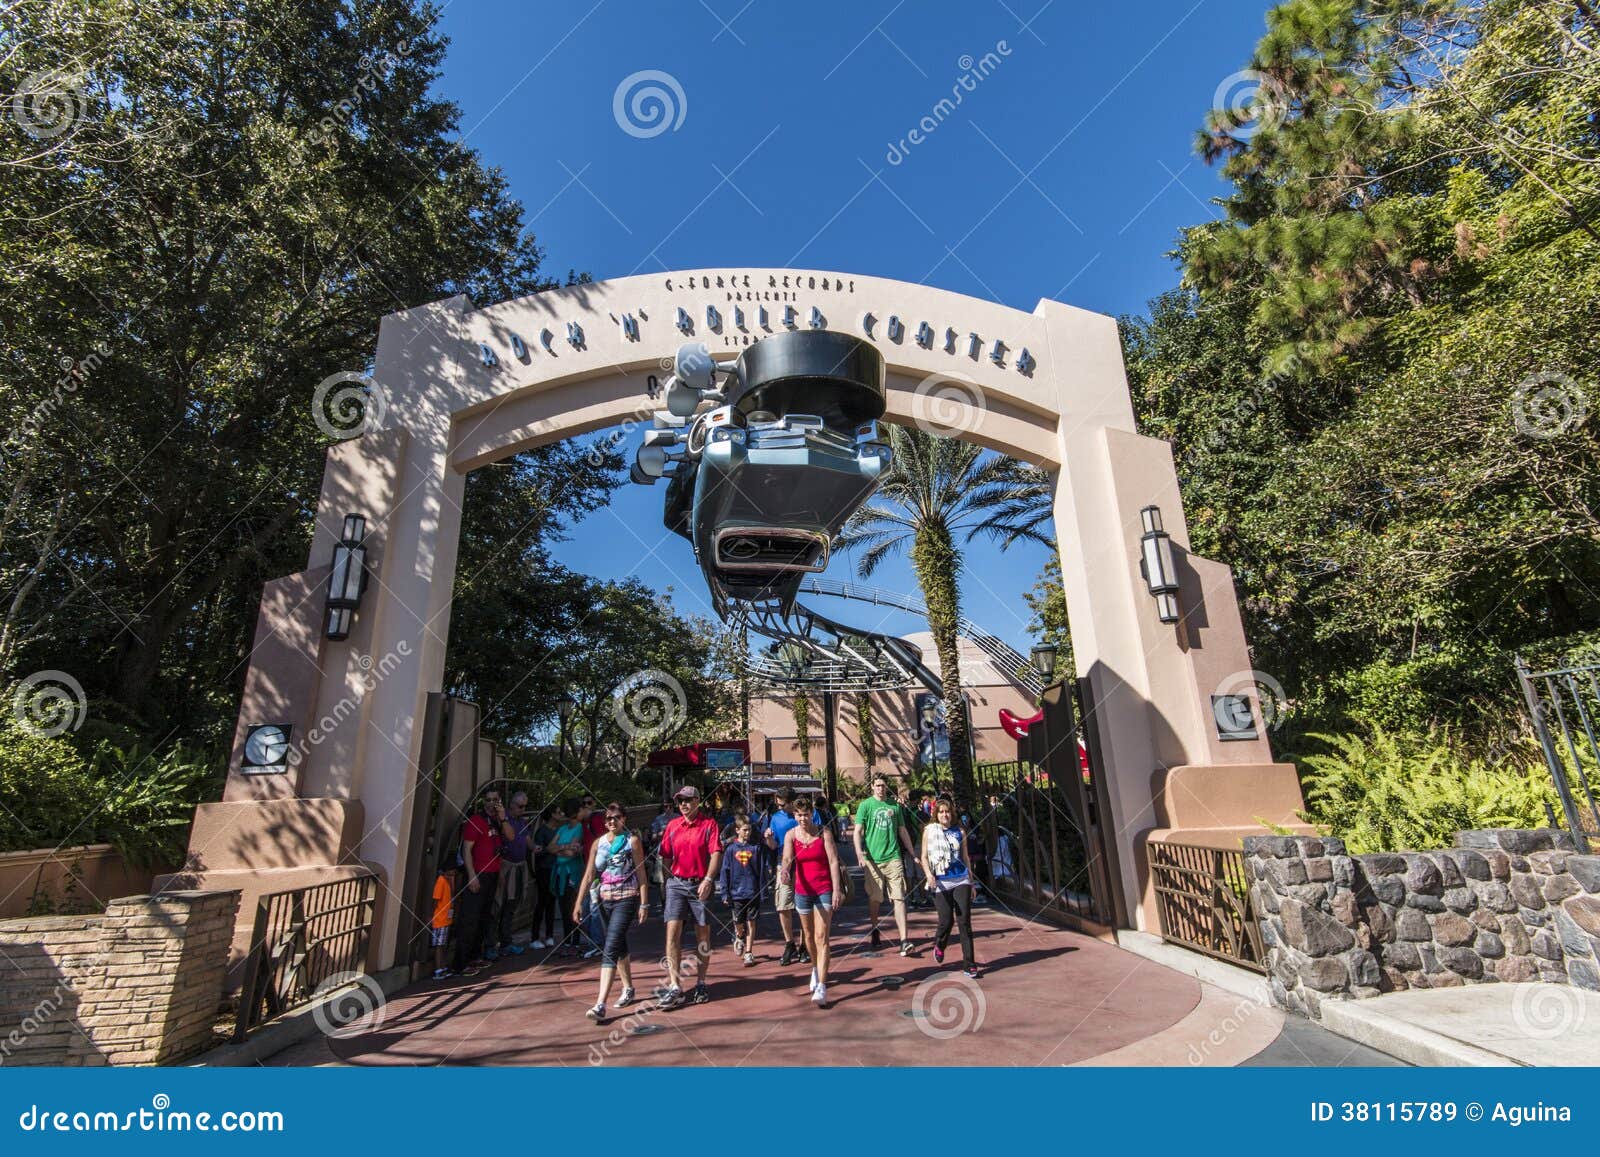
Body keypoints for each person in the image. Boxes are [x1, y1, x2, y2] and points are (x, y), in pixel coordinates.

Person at [571, 802, 648, 1023]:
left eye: (615, 817)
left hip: (627, 898)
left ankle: (600, 1003)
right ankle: (628, 988)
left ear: (624, 818)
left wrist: (644, 904)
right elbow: (589, 875)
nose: (611, 822)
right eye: (608, 819)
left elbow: (642, 873)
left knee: (610, 946)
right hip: (604, 899)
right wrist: (578, 903)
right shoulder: (598, 843)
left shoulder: (632, 842)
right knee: (618, 943)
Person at [656, 785, 723, 1008]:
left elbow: (715, 853)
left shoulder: (709, 825)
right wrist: (666, 882)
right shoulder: (673, 826)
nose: (683, 804)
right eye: (680, 801)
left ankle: (701, 981)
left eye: (687, 800)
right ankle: (675, 985)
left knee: (702, 936)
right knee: (671, 933)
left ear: (697, 801)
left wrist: (708, 879)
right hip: (676, 882)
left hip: (699, 884)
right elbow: (665, 855)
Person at [780, 794, 844, 1007]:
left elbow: (834, 861)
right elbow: (787, 858)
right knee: (808, 936)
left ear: (812, 814)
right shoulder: (791, 835)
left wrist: (837, 889)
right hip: (802, 891)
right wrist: (785, 871)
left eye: (806, 814)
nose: (802, 819)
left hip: (823, 889)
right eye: (798, 815)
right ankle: (815, 970)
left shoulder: (824, 833)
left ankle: (822, 986)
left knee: (821, 936)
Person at [854, 774, 916, 955]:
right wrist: (859, 852)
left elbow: (902, 830)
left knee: (899, 897)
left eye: (884, 786)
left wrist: (912, 852)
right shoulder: (865, 806)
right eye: (878, 785)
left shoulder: (894, 805)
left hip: (894, 857)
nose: (881, 788)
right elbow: (857, 831)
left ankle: (904, 940)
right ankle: (875, 928)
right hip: (873, 860)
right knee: (875, 899)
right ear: (872, 786)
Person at [919, 796, 980, 978]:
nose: (945, 815)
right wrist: (929, 875)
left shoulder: (959, 831)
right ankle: (940, 944)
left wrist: (971, 881)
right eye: (941, 812)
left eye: (947, 812)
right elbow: (923, 857)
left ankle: (969, 964)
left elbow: (966, 857)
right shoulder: (929, 831)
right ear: (936, 815)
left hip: (960, 879)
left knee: (964, 921)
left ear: (951, 813)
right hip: (941, 881)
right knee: (946, 921)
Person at [762, 786, 814, 966]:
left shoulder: (805, 815)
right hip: (783, 865)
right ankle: (789, 943)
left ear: (792, 803)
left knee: (803, 907)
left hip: (804, 865)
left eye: (783, 805)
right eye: (778, 804)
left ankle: (804, 945)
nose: (780, 808)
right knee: (783, 905)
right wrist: (768, 838)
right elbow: (773, 846)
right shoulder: (775, 818)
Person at [455, 790, 504, 973]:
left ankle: (475, 957)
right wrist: (471, 875)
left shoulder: (497, 822)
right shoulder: (476, 821)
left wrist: (503, 818)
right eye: (489, 800)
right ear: (483, 802)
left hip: (492, 873)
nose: (492, 803)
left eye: (495, 800)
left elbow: (510, 837)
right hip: (478, 874)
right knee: (470, 918)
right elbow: (467, 850)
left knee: (484, 918)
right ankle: (460, 963)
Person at [494, 792, 536, 955]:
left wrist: (536, 847)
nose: (523, 809)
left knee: (512, 905)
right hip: (505, 868)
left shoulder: (522, 822)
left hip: (520, 867)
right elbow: (509, 837)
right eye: (520, 806)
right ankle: (493, 944)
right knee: (498, 905)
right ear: (511, 805)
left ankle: (506, 942)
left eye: (525, 806)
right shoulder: (503, 821)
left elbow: (528, 841)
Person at [546, 800, 588, 955]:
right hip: (559, 872)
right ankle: (567, 941)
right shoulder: (563, 828)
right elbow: (549, 847)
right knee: (564, 908)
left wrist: (560, 849)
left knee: (573, 907)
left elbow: (572, 853)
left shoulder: (580, 829)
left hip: (573, 873)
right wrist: (566, 847)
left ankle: (575, 942)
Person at [719, 817, 762, 966]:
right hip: (736, 893)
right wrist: (724, 892)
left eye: (749, 829)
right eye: (745, 830)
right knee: (739, 922)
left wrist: (762, 890)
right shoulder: (730, 850)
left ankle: (749, 952)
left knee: (751, 921)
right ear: (737, 830)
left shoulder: (755, 848)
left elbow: (760, 871)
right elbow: (725, 871)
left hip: (752, 891)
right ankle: (740, 935)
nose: (748, 832)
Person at [529, 803, 563, 948]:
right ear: (551, 815)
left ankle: (549, 935)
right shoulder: (542, 832)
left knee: (551, 902)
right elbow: (538, 852)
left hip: (556, 868)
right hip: (544, 870)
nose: (561, 814)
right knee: (542, 902)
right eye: (558, 812)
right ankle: (534, 937)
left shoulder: (560, 830)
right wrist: (550, 850)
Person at [431, 863, 458, 980]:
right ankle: (438, 970)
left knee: (442, 945)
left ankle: (442, 967)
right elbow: (435, 901)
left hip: (445, 919)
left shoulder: (447, 882)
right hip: (440, 919)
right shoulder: (441, 881)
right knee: (439, 945)